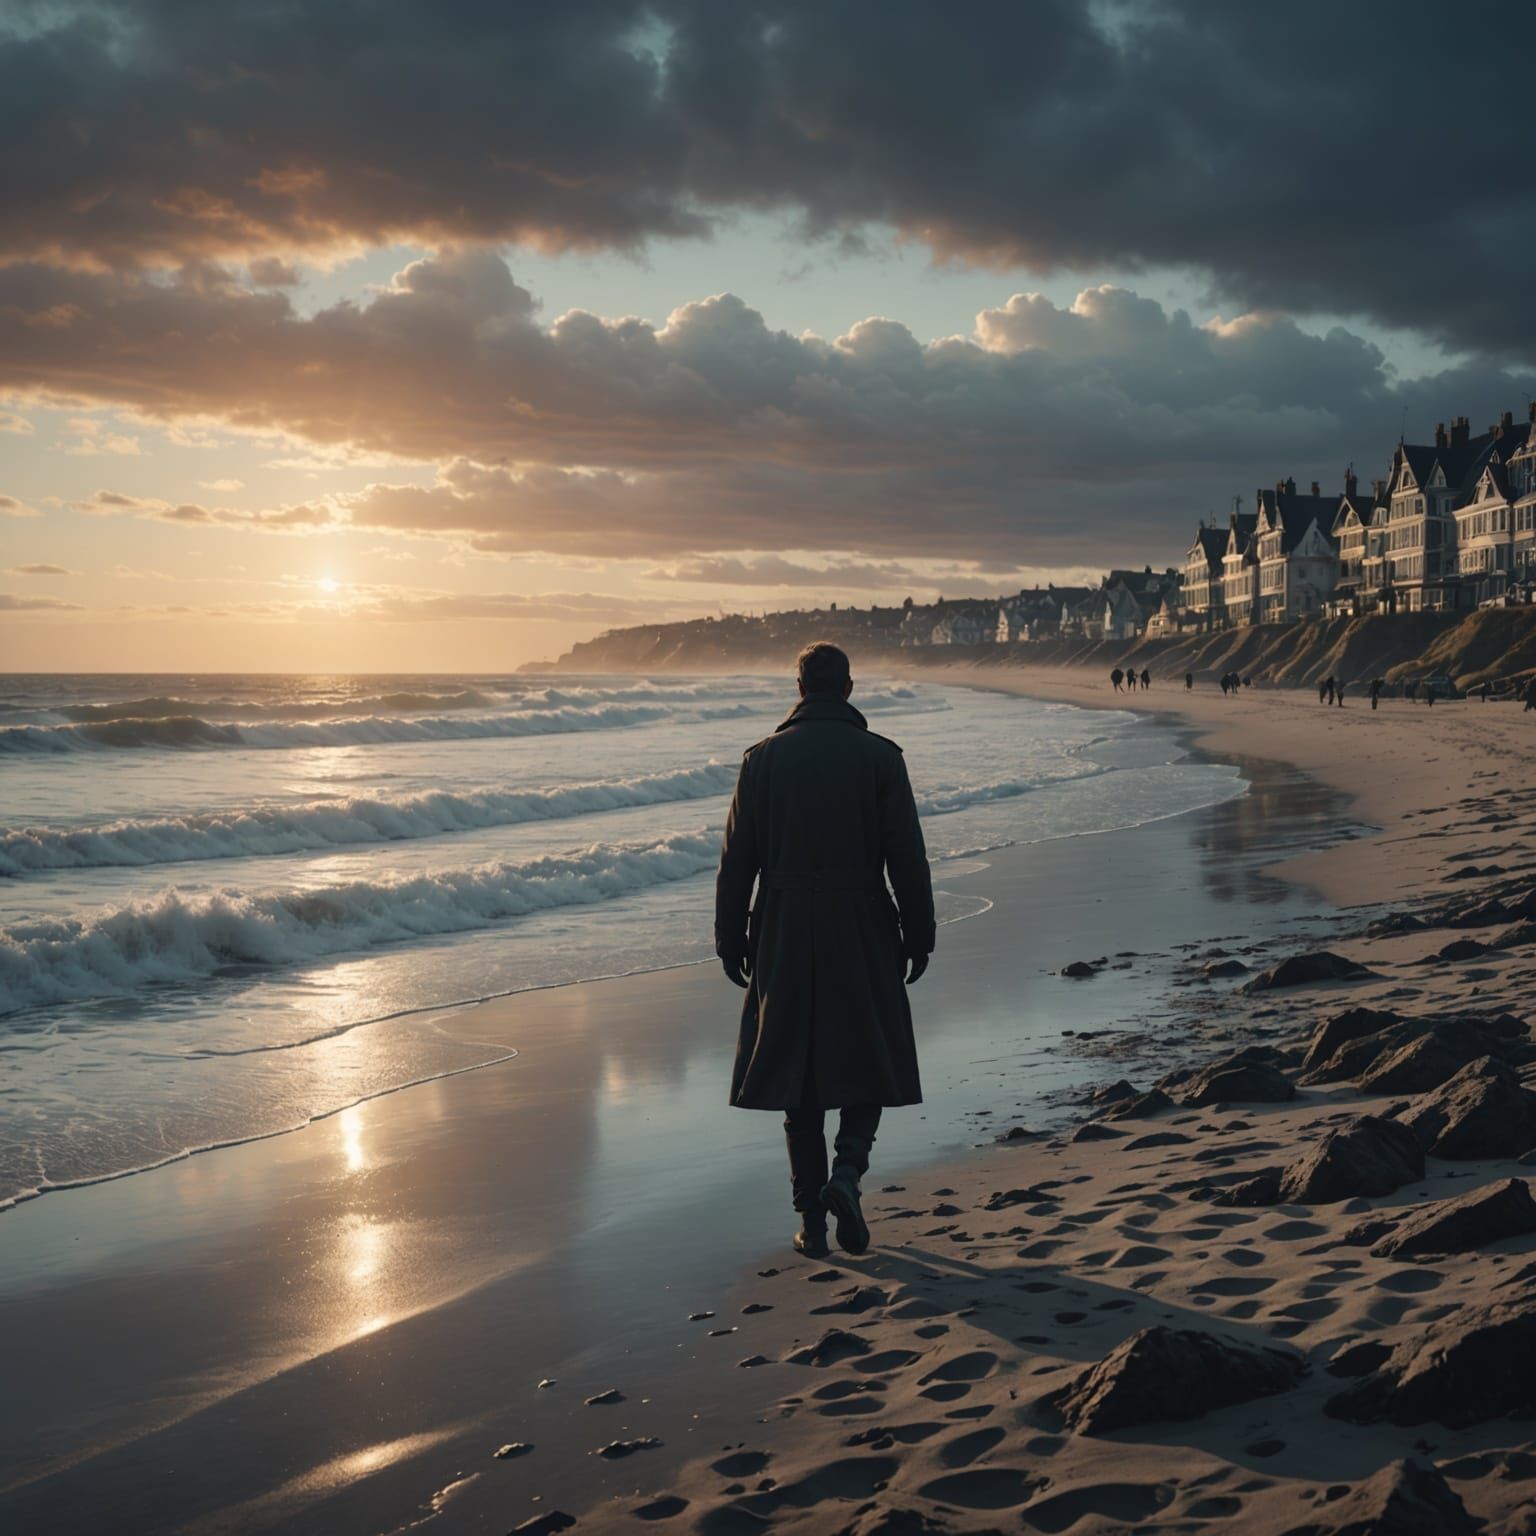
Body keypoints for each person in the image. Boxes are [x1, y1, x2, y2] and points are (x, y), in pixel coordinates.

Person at [715, 643, 935, 1259]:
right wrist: (919, 934)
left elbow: (736, 862)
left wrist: (730, 938)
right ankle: (848, 1172)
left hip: (784, 926)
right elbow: (907, 857)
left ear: (799, 687)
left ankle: (812, 1222)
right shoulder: (881, 758)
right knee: (870, 1055)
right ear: (848, 688)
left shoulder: (762, 760)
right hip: (862, 920)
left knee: (798, 1077)